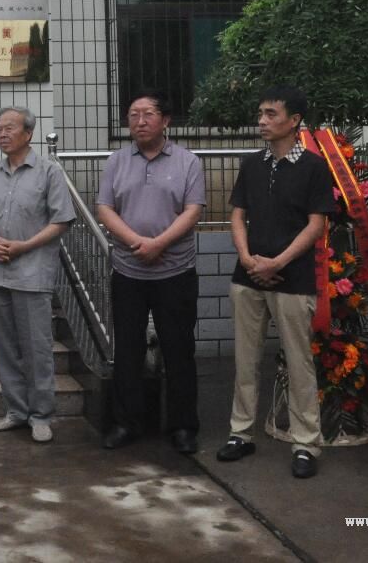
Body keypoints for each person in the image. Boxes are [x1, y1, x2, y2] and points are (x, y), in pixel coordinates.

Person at [216, 85, 335, 479]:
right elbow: (237, 215)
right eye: (260, 114)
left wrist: (278, 262)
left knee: (298, 362)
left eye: (271, 114)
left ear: (294, 120)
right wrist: (247, 257)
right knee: (245, 360)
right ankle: (240, 433)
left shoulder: (314, 167)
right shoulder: (252, 164)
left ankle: (305, 444)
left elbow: (316, 225)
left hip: (293, 278)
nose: (262, 121)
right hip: (248, 276)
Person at [95, 90, 205, 454]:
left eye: (148, 114)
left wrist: (159, 244)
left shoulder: (188, 162)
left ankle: (183, 426)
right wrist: (137, 243)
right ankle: (126, 423)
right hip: (128, 272)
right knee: (128, 349)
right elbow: (105, 209)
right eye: (133, 115)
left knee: (179, 349)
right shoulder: (116, 161)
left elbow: (193, 210)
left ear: (166, 120)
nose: (139, 121)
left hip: (176, 271)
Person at [0, 106, 74, 444]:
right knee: (5, 348)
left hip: (32, 273)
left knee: (36, 348)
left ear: (28, 134)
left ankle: (41, 415)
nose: (2, 134)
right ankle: (16, 410)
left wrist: (24, 246)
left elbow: (61, 221)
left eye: (9, 128)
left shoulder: (48, 172)